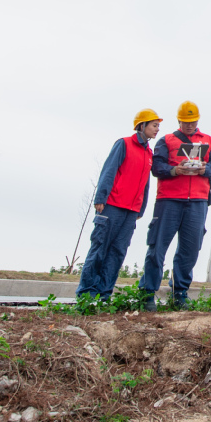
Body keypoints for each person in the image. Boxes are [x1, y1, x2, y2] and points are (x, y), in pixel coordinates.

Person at [138, 100, 211, 310]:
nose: (189, 125)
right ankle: (148, 293)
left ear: (198, 120)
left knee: (190, 249)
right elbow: (156, 167)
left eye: (192, 121)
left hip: (198, 202)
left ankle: (180, 292)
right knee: (157, 247)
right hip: (169, 201)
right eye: (185, 122)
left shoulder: (209, 141)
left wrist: (206, 168)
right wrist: (175, 170)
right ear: (179, 121)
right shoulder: (166, 140)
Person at [75, 109, 162, 300]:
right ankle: (86, 295)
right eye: (154, 125)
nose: (157, 130)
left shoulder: (149, 153)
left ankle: (104, 295)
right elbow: (109, 170)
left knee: (117, 253)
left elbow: (145, 183)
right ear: (142, 125)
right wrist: (101, 197)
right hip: (112, 206)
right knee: (99, 249)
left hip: (131, 212)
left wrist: (141, 207)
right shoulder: (123, 144)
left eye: (158, 126)